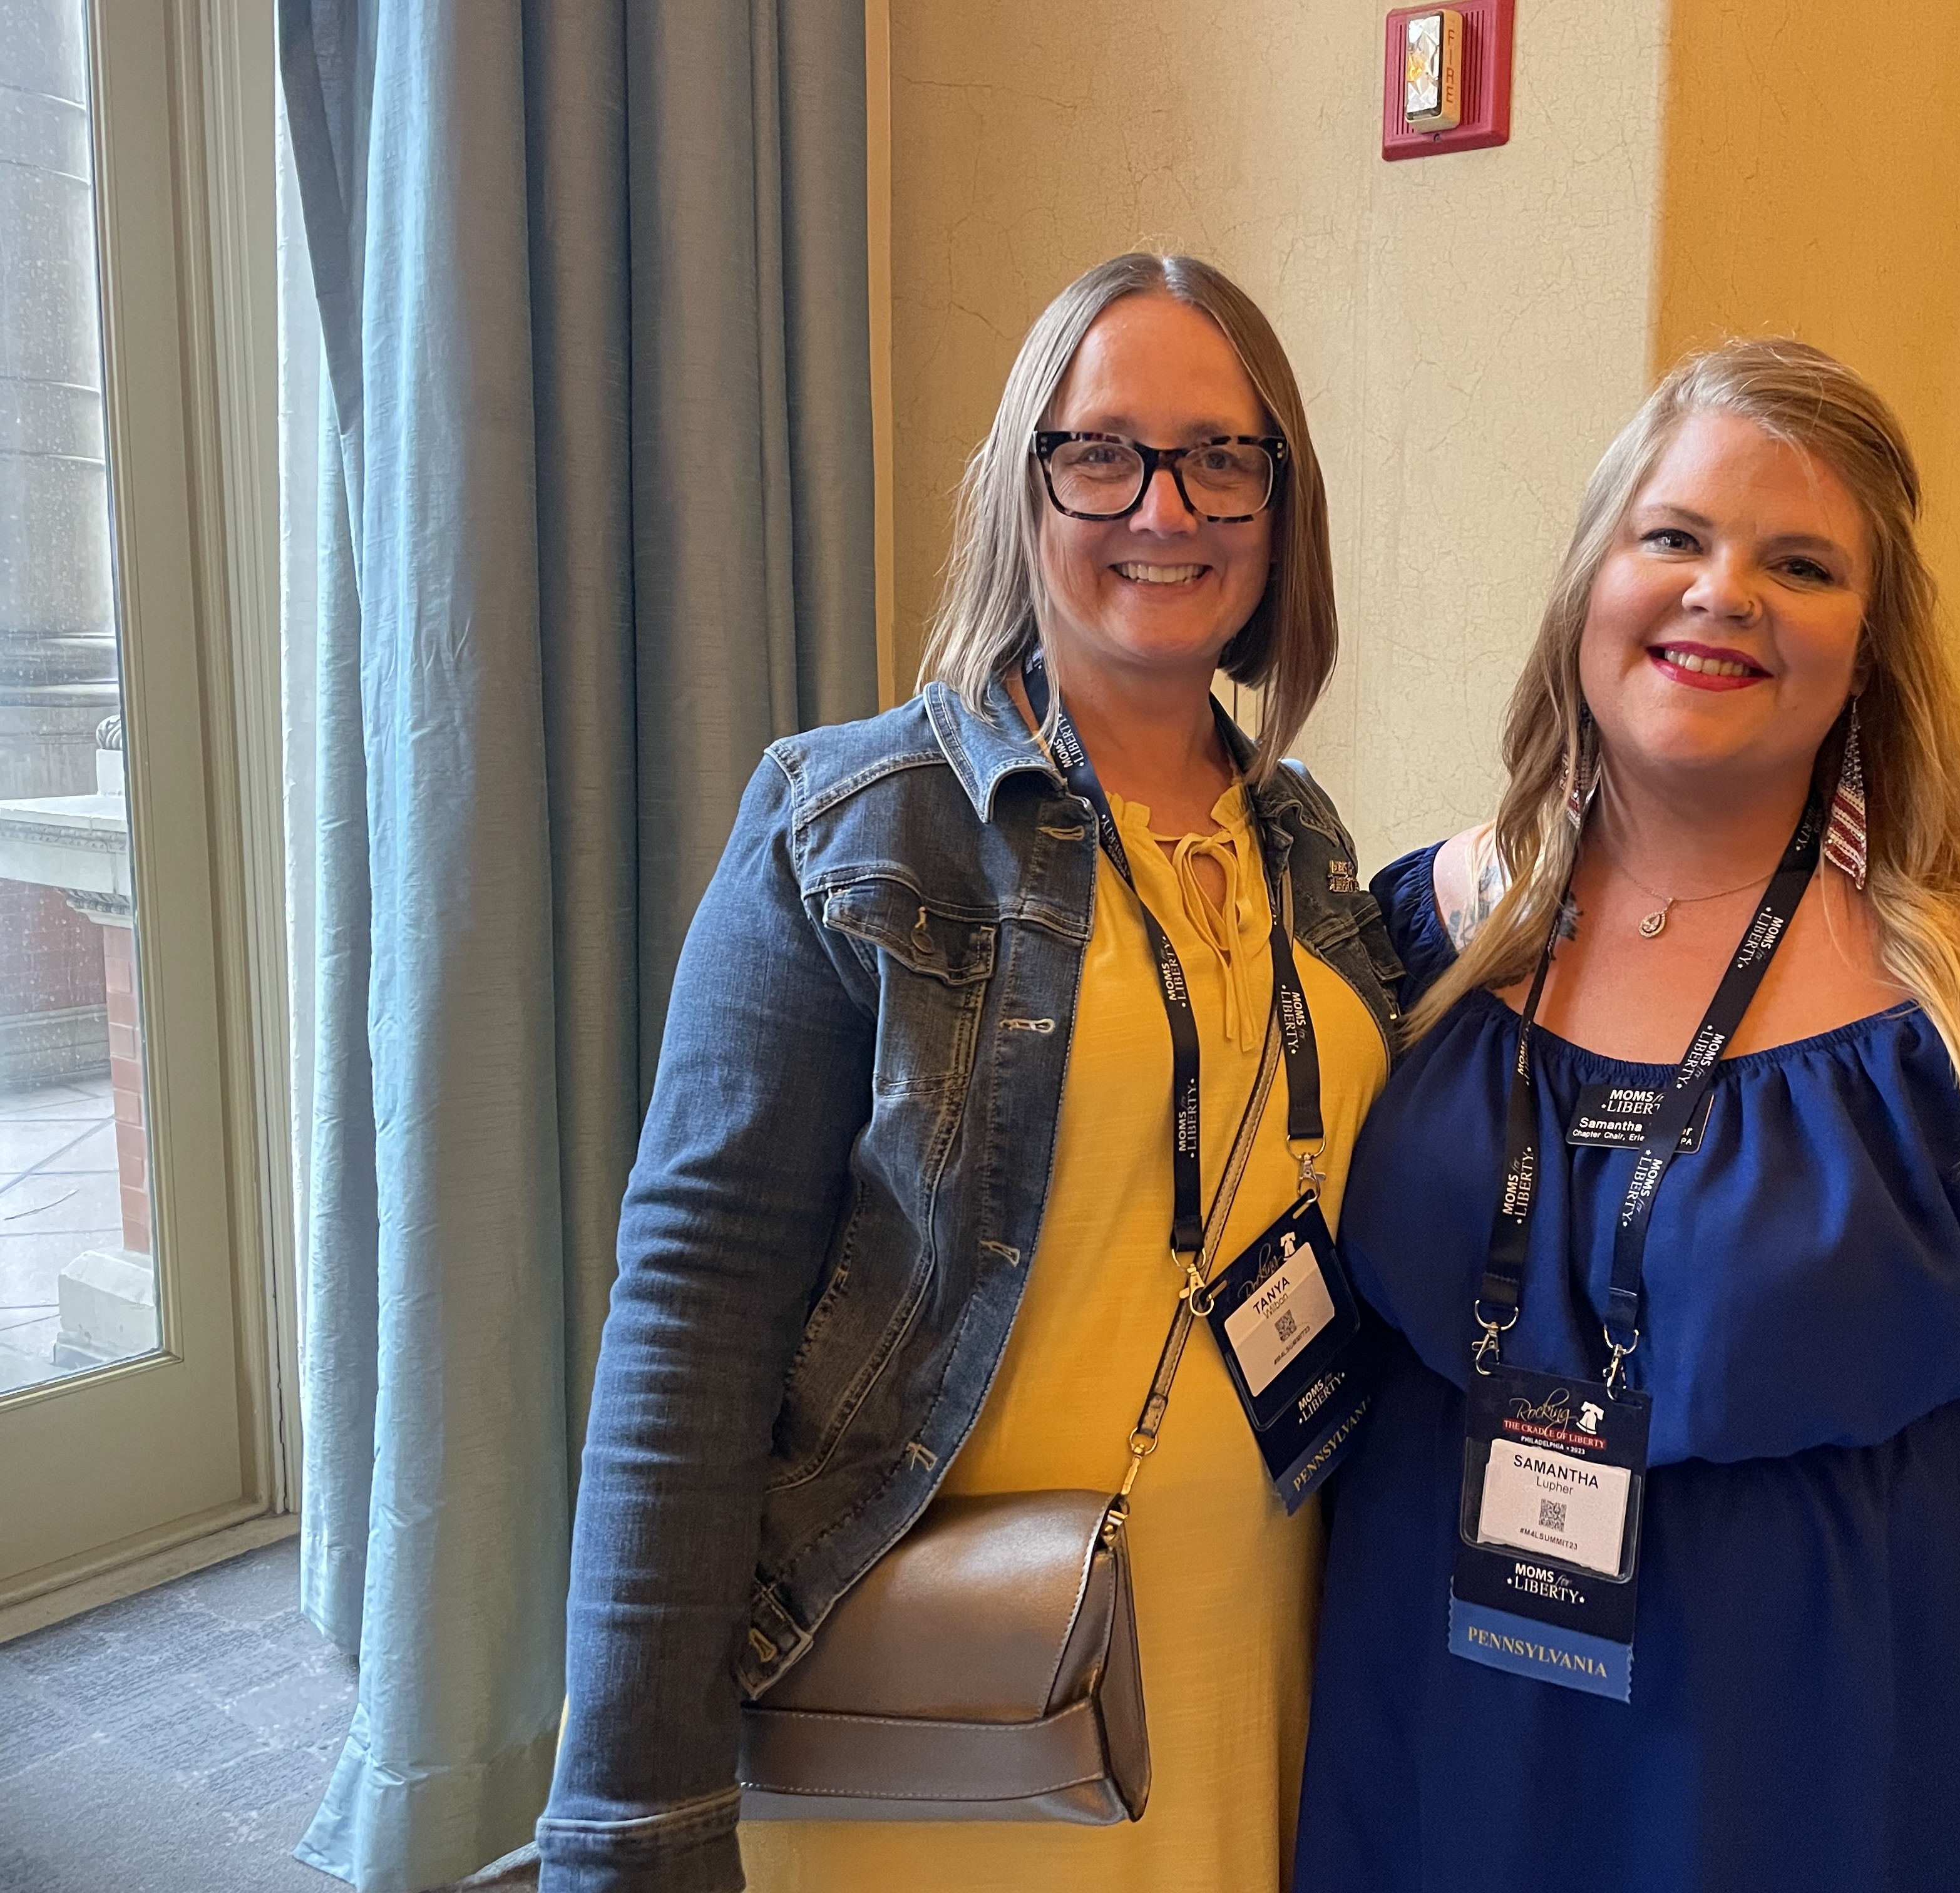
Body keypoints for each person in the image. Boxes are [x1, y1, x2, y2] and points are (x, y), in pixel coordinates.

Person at [1295, 338, 1960, 1893]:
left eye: (1801, 564)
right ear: (1589, 589)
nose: (1723, 593)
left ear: (1870, 653)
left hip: (1814, 1763)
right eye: (1674, 537)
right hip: (1440, 1732)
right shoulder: (1413, 938)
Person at [537, 253, 1403, 1893]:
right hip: (946, 1717)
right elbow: (689, 1325)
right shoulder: (854, 824)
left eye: (1223, 457)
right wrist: (634, 1815)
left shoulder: (1309, 850)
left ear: (1281, 504)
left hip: (1258, 1682)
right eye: (1103, 453)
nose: (1166, 506)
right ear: (1025, 485)